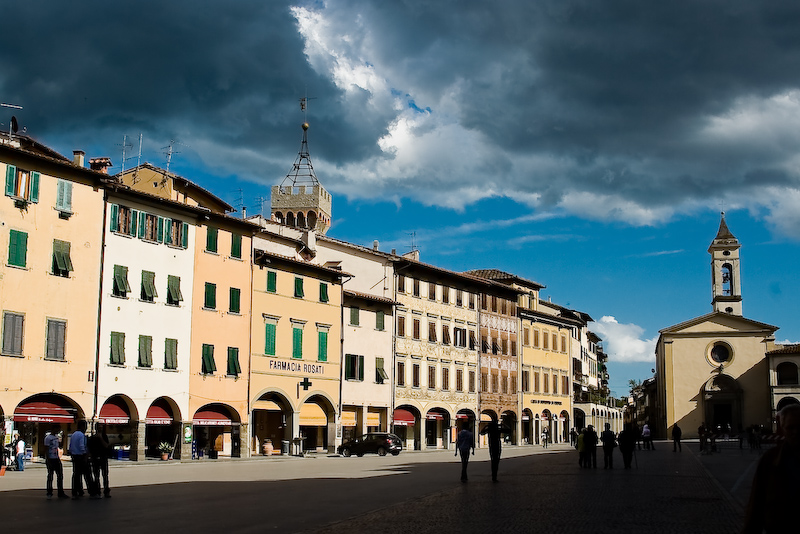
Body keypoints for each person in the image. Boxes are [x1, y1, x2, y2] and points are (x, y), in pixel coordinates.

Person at [742, 404, 800, 534]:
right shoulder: (770, 459)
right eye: (790, 427)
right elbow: (756, 503)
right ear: (783, 429)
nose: (796, 432)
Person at [68, 420, 97, 499]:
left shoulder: (73, 434)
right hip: (81, 457)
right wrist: (85, 455)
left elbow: (70, 446)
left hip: (75, 456)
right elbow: (82, 446)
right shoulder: (81, 435)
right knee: (88, 475)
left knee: (76, 475)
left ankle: (76, 491)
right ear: (82, 426)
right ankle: (92, 492)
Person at [44, 426, 68, 499]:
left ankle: (60, 492)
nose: (58, 430)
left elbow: (60, 446)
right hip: (51, 458)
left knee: (60, 475)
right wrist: (48, 459)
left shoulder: (56, 438)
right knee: (50, 476)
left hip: (56, 458)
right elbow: (46, 449)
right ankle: (49, 492)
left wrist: (63, 438)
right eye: (57, 429)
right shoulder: (48, 438)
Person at [88, 424, 112, 497]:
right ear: (96, 429)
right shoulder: (92, 438)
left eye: (101, 427)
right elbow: (90, 449)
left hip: (103, 458)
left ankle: (106, 491)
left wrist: (101, 438)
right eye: (99, 428)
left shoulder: (104, 436)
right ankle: (97, 491)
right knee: (96, 476)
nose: (100, 429)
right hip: (95, 458)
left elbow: (106, 446)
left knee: (105, 475)